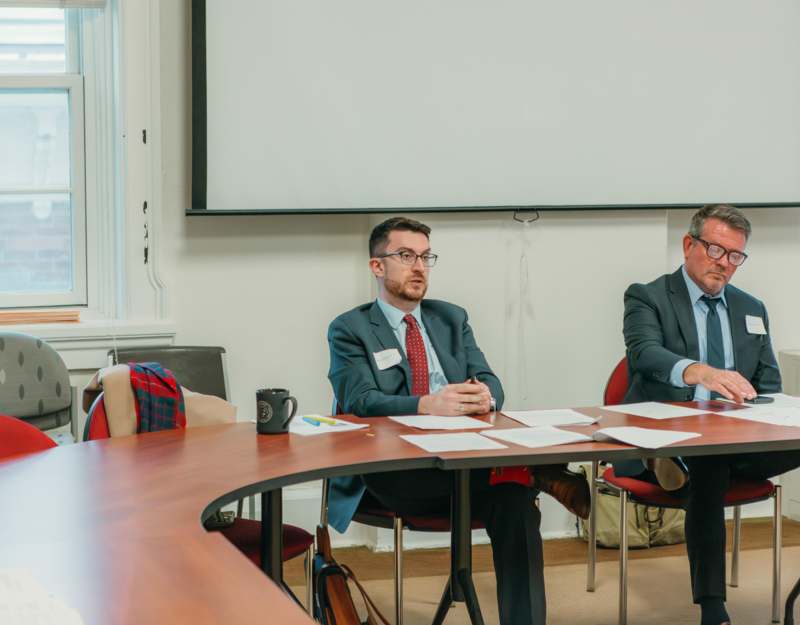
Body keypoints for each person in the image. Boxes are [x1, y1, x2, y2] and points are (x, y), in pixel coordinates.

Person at [326, 216, 585, 625]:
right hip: (397, 469)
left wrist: (484, 395)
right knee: (513, 481)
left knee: (516, 504)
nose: (419, 267)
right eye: (406, 256)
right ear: (377, 265)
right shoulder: (350, 328)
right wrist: (427, 404)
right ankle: (535, 470)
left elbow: (492, 383)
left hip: (465, 459)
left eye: (426, 257)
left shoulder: (450, 317)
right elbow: (360, 400)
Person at [620, 203, 800, 625]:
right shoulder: (647, 296)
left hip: (738, 438)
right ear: (689, 244)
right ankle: (713, 608)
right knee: (710, 465)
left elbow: (768, 384)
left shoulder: (751, 307)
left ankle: (680, 467)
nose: (724, 263)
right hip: (672, 428)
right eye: (716, 250)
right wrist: (700, 371)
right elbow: (644, 353)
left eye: (735, 255)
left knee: (717, 460)